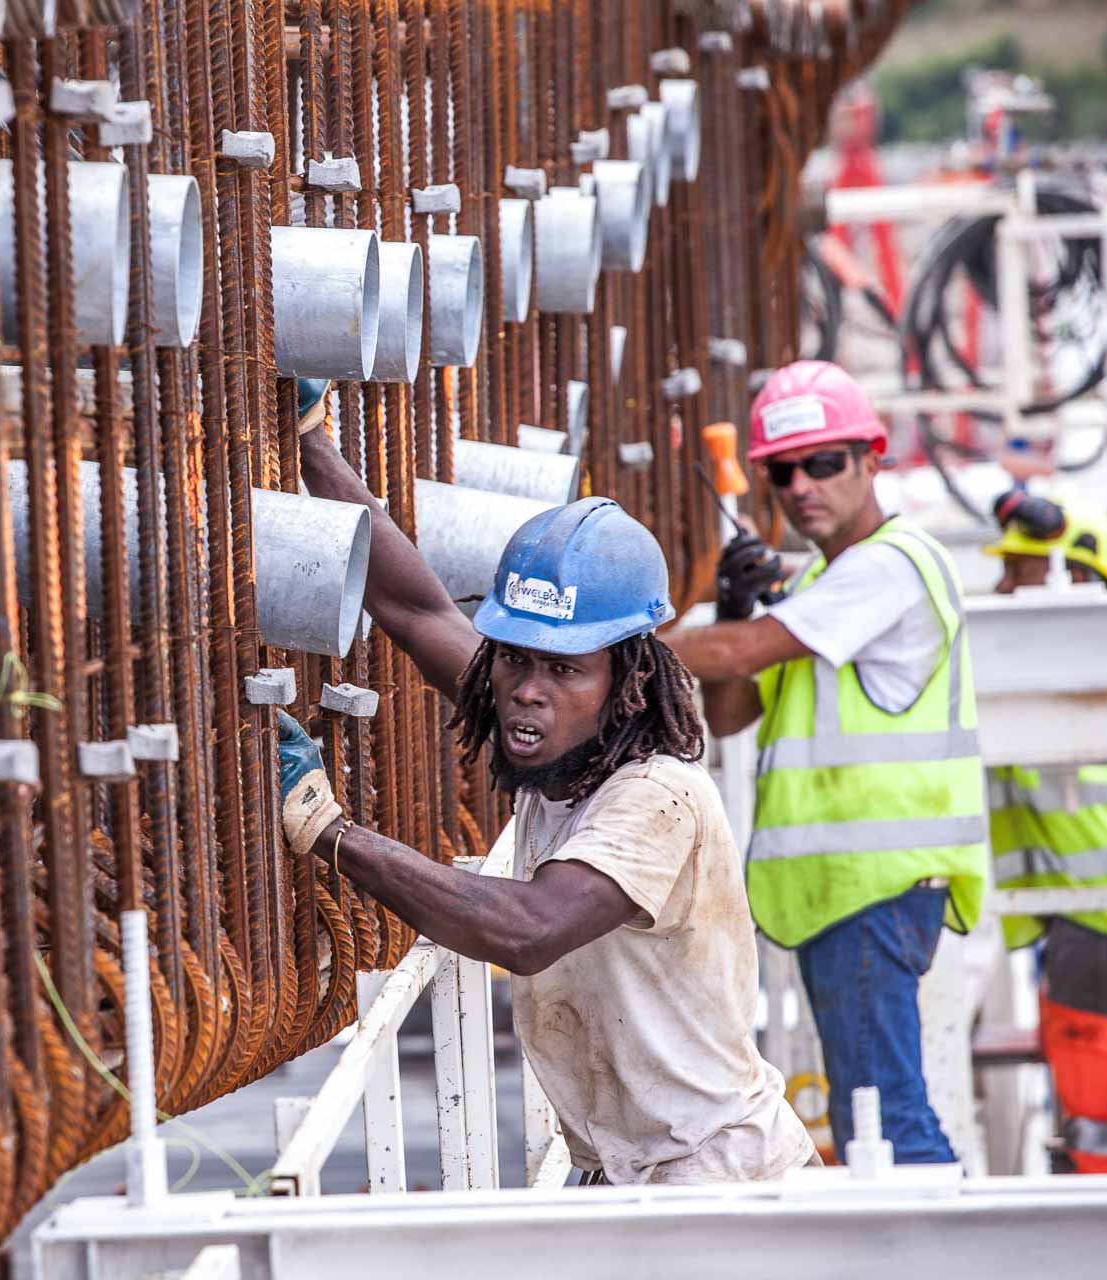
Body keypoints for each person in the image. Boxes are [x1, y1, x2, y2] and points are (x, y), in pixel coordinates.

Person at [282, 378, 818, 1186]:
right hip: (630, 1170)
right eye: (515, 659)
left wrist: (331, 832)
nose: (528, 690)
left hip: (712, 1176)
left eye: (564, 668)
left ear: (627, 681)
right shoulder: (558, 734)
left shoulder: (655, 797)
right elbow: (417, 610)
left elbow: (527, 930)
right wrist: (311, 444)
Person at [668, 360, 987, 1166]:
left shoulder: (892, 564)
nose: (802, 485)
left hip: (875, 886)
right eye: (783, 471)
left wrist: (612, 649)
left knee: (886, 1123)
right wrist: (734, 604)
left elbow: (741, 653)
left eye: (823, 462)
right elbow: (731, 713)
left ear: (872, 460)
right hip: (844, 891)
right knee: (870, 1117)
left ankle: (938, 1233)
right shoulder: (825, 580)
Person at [986, 492, 1107, 1173]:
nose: (1001, 589)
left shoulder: (1030, 688)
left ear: (1077, 579)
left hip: (1099, 938)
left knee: (1104, 1144)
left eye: (1019, 570)